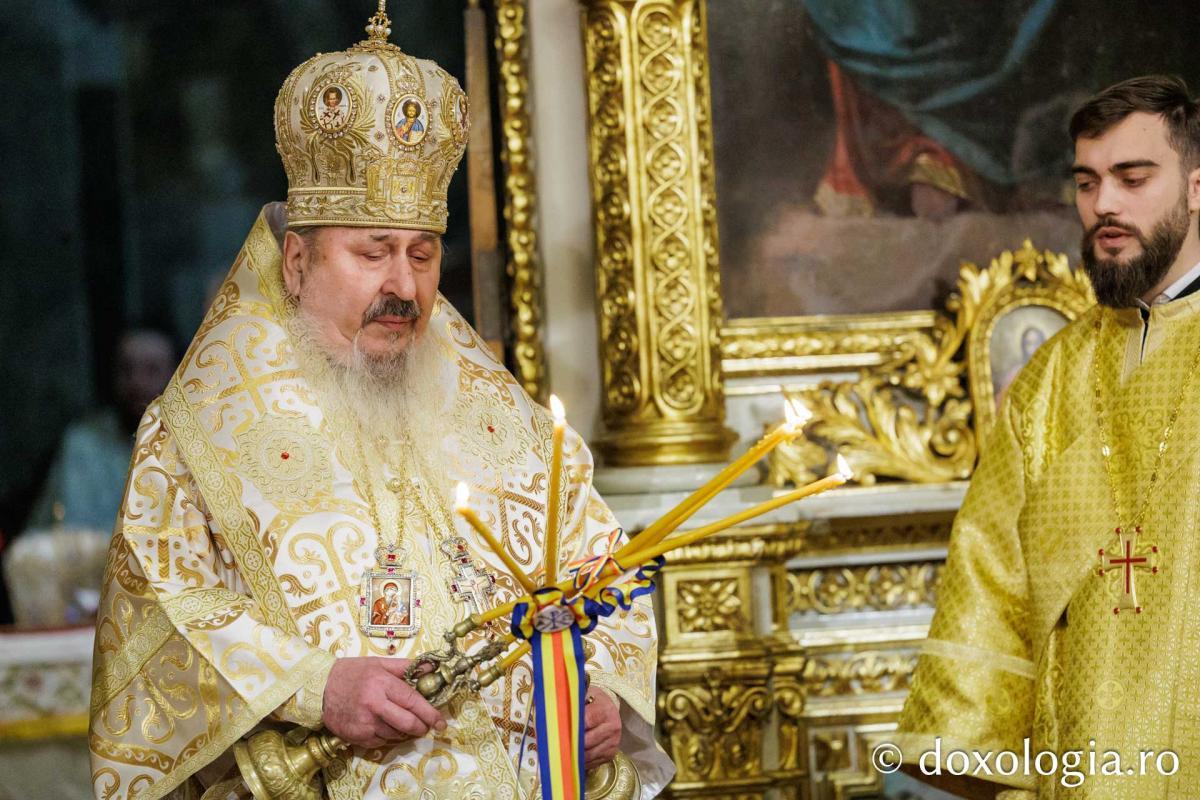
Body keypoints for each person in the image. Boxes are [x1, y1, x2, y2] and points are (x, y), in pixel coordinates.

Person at [88, 11, 670, 800]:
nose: (404, 285)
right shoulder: (198, 433)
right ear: (297, 262)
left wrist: (597, 690)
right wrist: (314, 687)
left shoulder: (506, 418)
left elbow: (601, 569)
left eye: (421, 254)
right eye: (372, 253)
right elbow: (161, 613)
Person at [892, 74, 1200, 798]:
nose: (1105, 205)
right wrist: (974, 747)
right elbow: (991, 577)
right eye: (1087, 183)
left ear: (1196, 187)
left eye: (1133, 179)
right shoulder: (1051, 378)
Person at [27, 326, 175, 532]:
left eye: (152, 370)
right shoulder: (83, 445)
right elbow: (69, 529)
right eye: (127, 369)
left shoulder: (196, 448)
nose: (137, 383)